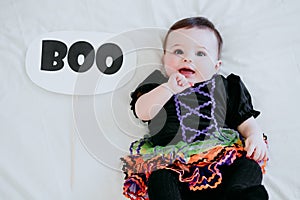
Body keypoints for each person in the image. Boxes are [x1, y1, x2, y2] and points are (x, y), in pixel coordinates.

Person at [121, 16, 269, 200]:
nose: (187, 58)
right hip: (174, 164)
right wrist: (169, 88)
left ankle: (238, 195)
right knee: (160, 178)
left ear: (216, 66)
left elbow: (245, 121)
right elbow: (142, 111)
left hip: (221, 161)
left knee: (249, 166)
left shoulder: (225, 87)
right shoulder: (158, 84)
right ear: (164, 59)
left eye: (200, 54)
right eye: (178, 51)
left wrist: (254, 135)